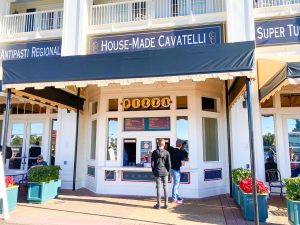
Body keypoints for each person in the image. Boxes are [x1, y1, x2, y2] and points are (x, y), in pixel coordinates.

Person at [151, 138, 171, 209]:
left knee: (158, 188)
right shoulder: (167, 153)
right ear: (164, 144)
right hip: (165, 171)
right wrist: (168, 172)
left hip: (157, 172)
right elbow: (169, 164)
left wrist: (154, 171)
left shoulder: (154, 152)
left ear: (158, 144)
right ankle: (166, 205)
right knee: (166, 187)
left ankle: (158, 205)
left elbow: (152, 164)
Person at [168, 139, 185, 204]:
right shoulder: (181, 152)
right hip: (176, 170)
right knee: (176, 184)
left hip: (170, 169)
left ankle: (177, 196)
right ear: (181, 145)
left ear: (176, 144)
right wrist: (179, 163)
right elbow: (183, 164)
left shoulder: (171, 150)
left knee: (176, 184)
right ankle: (174, 199)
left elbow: (169, 147)